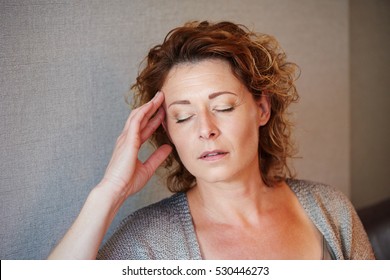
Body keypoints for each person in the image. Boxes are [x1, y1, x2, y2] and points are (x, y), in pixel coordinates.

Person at [48, 21, 374, 260]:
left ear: (261, 109)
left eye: (223, 107)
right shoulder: (147, 241)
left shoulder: (330, 209)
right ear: (168, 131)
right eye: (184, 116)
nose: (206, 128)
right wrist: (109, 193)